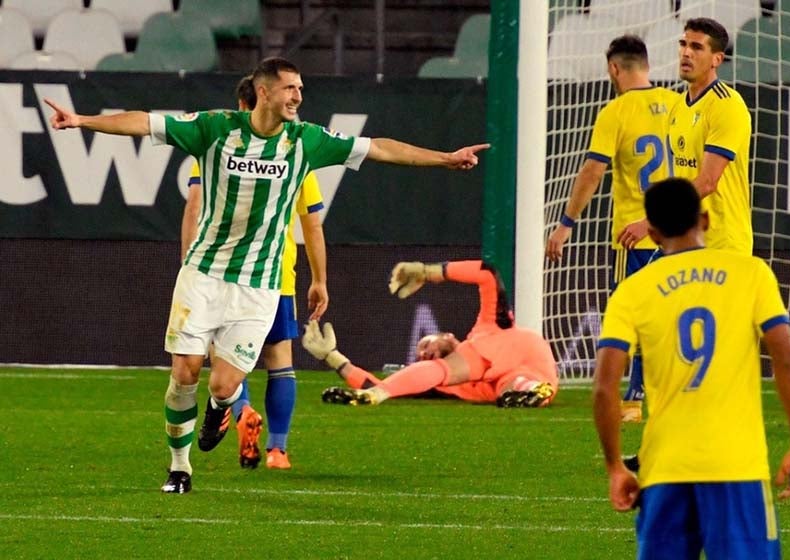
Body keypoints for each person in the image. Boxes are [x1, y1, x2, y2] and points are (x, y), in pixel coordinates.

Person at [45, 56, 489, 494]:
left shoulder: (305, 141)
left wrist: (445, 159)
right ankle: (179, 468)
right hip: (203, 273)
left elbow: (379, 148)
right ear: (264, 92)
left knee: (225, 384)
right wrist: (83, 120)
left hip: (259, 286)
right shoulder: (215, 128)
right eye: (290, 88)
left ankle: (221, 408)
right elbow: (146, 123)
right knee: (184, 372)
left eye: (300, 88)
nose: (298, 96)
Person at [592, 177, 790, 559]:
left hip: (665, 468)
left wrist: (615, 466)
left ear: (654, 234)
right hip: (737, 464)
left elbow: (604, 388)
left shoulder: (632, 290)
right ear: (705, 219)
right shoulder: (752, 273)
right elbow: (786, 359)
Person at [182, 76, 327, 470]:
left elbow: (194, 208)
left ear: (240, 108)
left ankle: (241, 409)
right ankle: (278, 449)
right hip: (274, 275)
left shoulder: (214, 149)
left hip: (218, 272)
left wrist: (189, 268)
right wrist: (319, 279)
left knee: (222, 355)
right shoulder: (296, 152)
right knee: (280, 360)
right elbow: (312, 224)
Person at [546, 35, 682, 423]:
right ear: (648, 66)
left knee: (634, 313)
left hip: (634, 233)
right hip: (680, 230)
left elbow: (592, 171)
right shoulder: (679, 105)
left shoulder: (616, 111)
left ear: (613, 69)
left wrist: (566, 224)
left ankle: (635, 397)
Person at [301, 260, 559, 407]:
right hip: (529, 378)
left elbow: (488, 274)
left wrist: (428, 271)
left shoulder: (489, 326)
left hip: (530, 350)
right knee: (507, 392)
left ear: (446, 335)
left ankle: (531, 389)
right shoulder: (453, 386)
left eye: (425, 344)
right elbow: (384, 384)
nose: (424, 353)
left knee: (457, 366)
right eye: (422, 356)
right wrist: (332, 357)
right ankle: (535, 391)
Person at [668, 17, 752, 255]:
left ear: (717, 59)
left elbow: (707, 182)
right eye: (683, 44)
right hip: (687, 240)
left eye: (696, 47)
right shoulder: (678, 107)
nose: (686, 53)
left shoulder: (727, 105)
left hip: (723, 243)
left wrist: (655, 220)